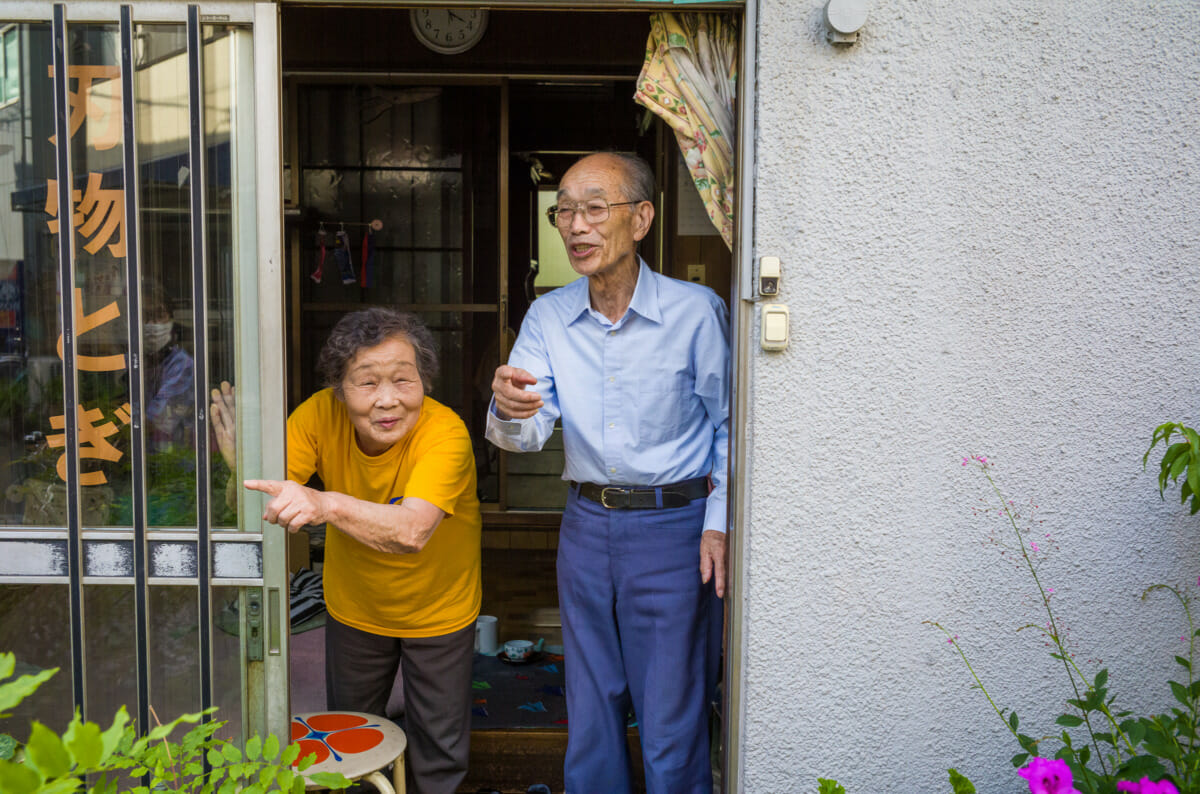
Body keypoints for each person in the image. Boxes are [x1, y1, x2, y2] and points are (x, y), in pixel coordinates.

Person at [486, 152, 730, 793]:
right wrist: (508, 408)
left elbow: (734, 426)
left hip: (676, 528)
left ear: (641, 218)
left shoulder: (695, 312)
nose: (575, 225)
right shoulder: (548, 317)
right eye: (563, 210)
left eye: (595, 208)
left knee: (671, 710)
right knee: (590, 704)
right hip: (587, 526)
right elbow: (527, 428)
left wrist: (720, 522)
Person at [211, 308, 481, 794]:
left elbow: (411, 531)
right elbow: (261, 498)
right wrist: (238, 468)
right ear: (339, 387)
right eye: (367, 382)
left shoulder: (447, 434)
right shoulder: (318, 414)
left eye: (404, 380)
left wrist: (324, 503)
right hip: (355, 607)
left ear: (425, 382)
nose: (388, 400)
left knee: (438, 749)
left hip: (439, 610)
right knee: (350, 740)